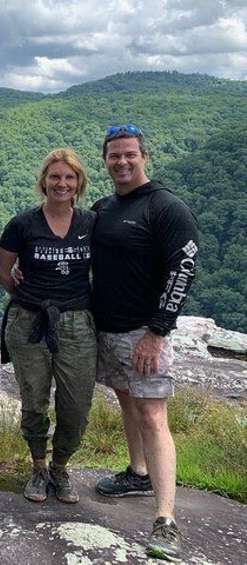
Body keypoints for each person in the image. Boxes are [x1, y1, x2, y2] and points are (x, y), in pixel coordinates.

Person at [92, 125, 199, 562]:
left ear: (144, 156)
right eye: (114, 155)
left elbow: (184, 268)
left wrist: (158, 332)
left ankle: (166, 521)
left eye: (129, 155)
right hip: (107, 328)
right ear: (105, 160)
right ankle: (138, 472)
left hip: (144, 332)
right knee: (127, 402)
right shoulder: (104, 208)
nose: (121, 162)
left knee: (154, 415)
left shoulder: (165, 207)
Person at [0, 148, 97, 504]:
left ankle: (61, 466)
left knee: (76, 406)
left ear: (79, 183)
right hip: (30, 322)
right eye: (55, 177)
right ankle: (38, 466)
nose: (62, 183)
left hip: (78, 323)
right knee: (34, 401)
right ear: (43, 181)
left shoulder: (90, 222)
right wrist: (25, 295)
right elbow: (2, 271)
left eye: (69, 177)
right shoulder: (23, 224)